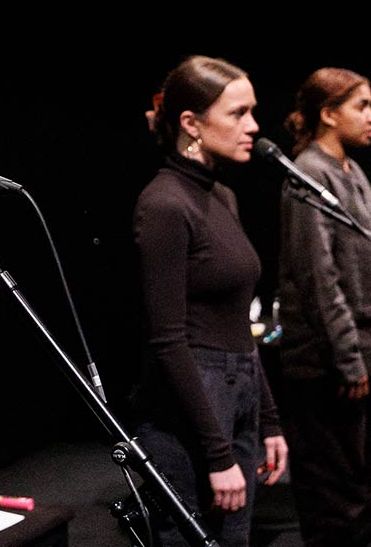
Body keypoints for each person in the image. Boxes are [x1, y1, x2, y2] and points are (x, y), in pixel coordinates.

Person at [130, 55, 288, 547]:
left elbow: (238, 324)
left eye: (252, 111)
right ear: (191, 124)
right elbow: (168, 339)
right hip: (191, 408)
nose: (254, 126)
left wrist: (269, 420)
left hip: (236, 389)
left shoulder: (221, 196)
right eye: (238, 113)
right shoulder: (164, 204)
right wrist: (218, 455)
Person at [273, 67, 371, 547]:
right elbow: (318, 279)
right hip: (329, 363)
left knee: (368, 478)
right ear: (328, 114)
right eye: (362, 106)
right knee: (334, 489)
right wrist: (350, 359)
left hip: (366, 355)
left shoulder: (351, 168)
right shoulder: (309, 174)